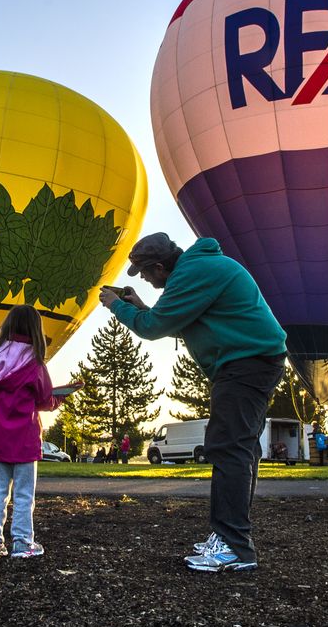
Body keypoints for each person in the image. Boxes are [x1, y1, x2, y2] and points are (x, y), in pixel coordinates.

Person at [100, 232, 286, 573]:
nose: (143, 278)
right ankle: (229, 536)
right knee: (240, 449)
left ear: (159, 267)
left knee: (228, 448)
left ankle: (234, 545)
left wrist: (117, 306)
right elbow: (175, 320)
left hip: (245, 363)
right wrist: (139, 306)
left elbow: (153, 328)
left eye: (144, 272)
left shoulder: (192, 273)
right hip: (253, 361)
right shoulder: (197, 269)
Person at [0, 304, 80, 559]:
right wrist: (61, 398)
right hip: (23, 437)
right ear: (35, 330)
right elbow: (44, 400)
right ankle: (22, 543)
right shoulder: (34, 364)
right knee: (23, 494)